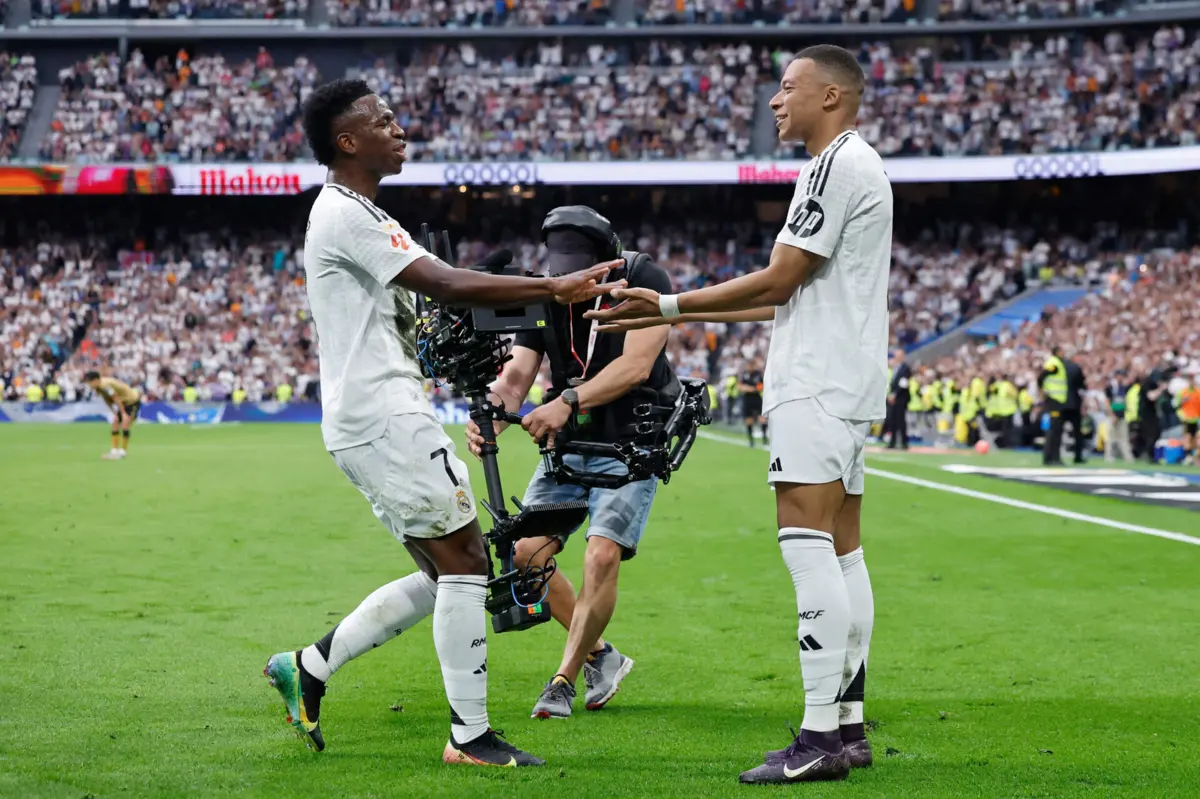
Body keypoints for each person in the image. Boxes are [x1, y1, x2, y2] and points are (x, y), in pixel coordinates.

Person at [262, 78, 622, 769]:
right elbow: (446, 283)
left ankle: (307, 664)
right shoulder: (343, 213)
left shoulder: (363, 212)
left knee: (443, 571)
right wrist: (550, 288)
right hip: (382, 412)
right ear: (347, 142)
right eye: (382, 120)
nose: (398, 128)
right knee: (466, 563)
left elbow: (432, 302)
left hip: (377, 412)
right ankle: (469, 736)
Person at [588, 44, 889, 784]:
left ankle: (820, 734)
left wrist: (664, 303)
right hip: (843, 379)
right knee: (843, 550)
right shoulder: (853, 163)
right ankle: (846, 728)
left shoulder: (835, 166)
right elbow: (783, 293)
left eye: (788, 88)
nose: (775, 102)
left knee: (806, 546)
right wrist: (670, 313)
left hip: (816, 383)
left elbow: (781, 275)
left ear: (832, 96)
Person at [465, 205, 678, 720]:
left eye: (580, 266)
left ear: (609, 261)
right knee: (524, 554)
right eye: (560, 268)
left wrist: (568, 401)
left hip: (631, 439)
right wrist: (493, 411)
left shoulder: (645, 278)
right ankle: (603, 657)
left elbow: (635, 366)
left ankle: (562, 679)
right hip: (570, 444)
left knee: (601, 556)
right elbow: (516, 377)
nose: (571, 278)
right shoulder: (547, 294)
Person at [84, 371, 141, 460]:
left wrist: (123, 413)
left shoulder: (105, 385)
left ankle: (123, 452)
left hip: (132, 400)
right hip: (124, 402)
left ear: (95, 380)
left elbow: (115, 398)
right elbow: (107, 399)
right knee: (115, 422)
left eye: (89, 382)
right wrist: (114, 412)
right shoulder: (98, 386)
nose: (89, 385)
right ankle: (114, 451)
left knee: (125, 424)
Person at [739, 359, 768, 446]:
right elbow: (740, 386)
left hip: (756, 399)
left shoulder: (758, 375)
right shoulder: (744, 374)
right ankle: (751, 440)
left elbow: (761, 386)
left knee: (762, 418)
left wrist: (751, 388)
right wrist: (749, 388)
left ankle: (764, 439)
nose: (749, 367)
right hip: (747, 399)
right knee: (748, 420)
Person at [885, 349, 910, 450]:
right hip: (893, 399)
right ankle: (892, 442)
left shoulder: (905, 368)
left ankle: (904, 443)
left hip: (900, 399)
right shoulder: (895, 368)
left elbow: (903, 384)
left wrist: (894, 394)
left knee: (901, 421)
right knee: (892, 421)